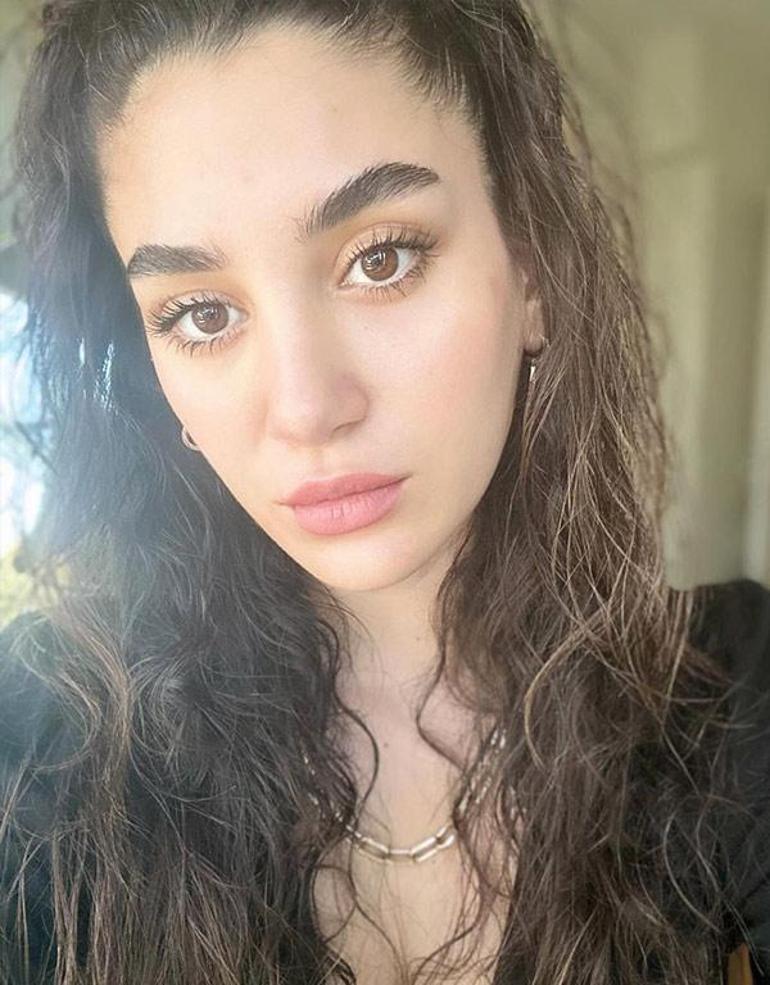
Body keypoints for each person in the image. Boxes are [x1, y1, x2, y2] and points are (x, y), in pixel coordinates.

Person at [0, 1, 768, 983]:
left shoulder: (726, 696)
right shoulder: (42, 742)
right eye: (200, 313)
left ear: (531, 275)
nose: (306, 408)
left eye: (382, 259)